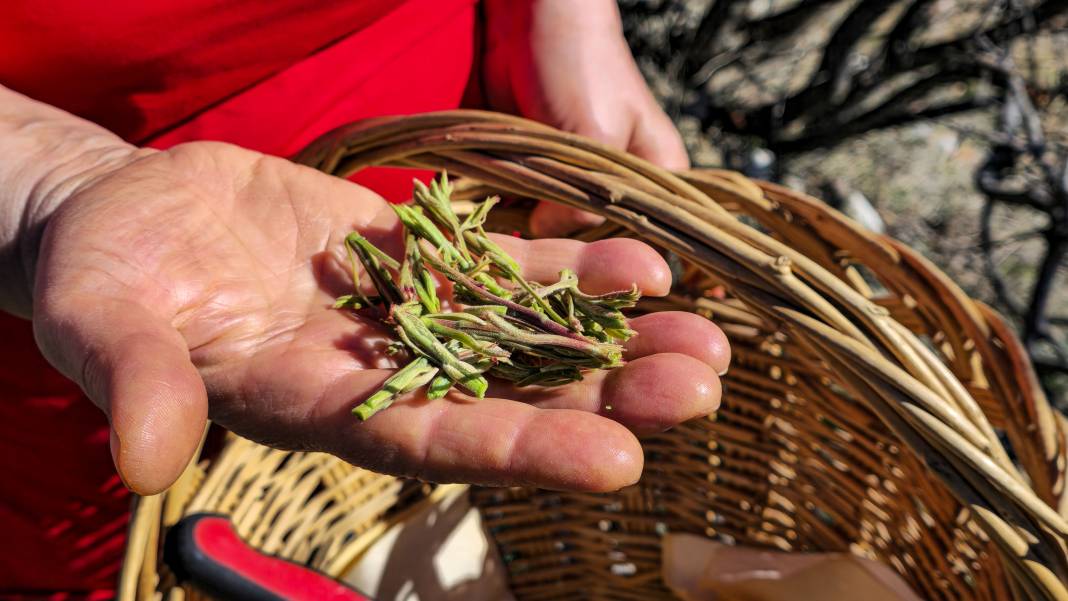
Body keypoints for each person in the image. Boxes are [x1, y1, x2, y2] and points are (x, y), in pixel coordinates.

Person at [0, 0, 730, 596]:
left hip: (440, 151)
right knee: (139, 547)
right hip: (121, 268)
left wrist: (561, 16)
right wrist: (51, 178)